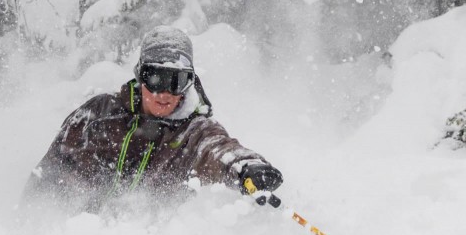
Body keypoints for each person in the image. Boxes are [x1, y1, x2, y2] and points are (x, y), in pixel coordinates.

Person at [23, 25, 283, 213]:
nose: (164, 93)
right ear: (140, 76)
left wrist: (246, 167)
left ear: (189, 83)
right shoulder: (100, 114)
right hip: (75, 234)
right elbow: (49, 169)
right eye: (155, 78)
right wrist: (30, 218)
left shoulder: (193, 130)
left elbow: (218, 148)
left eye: (177, 81)